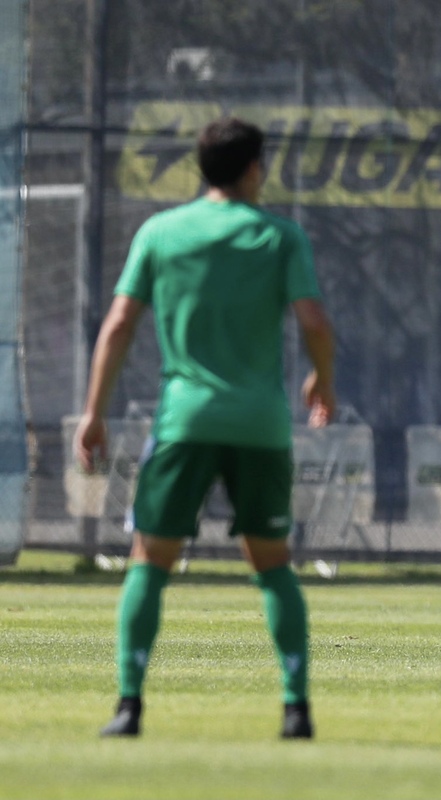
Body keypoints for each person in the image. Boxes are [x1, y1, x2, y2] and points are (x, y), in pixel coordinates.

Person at [72, 118, 337, 739]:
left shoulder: (161, 232)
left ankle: (129, 705)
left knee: (150, 562)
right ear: (252, 169)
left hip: (184, 421)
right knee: (272, 564)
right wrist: (323, 380)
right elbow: (315, 322)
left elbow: (117, 327)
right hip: (261, 425)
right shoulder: (280, 236)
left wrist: (94, 411)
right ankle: (295, 708)